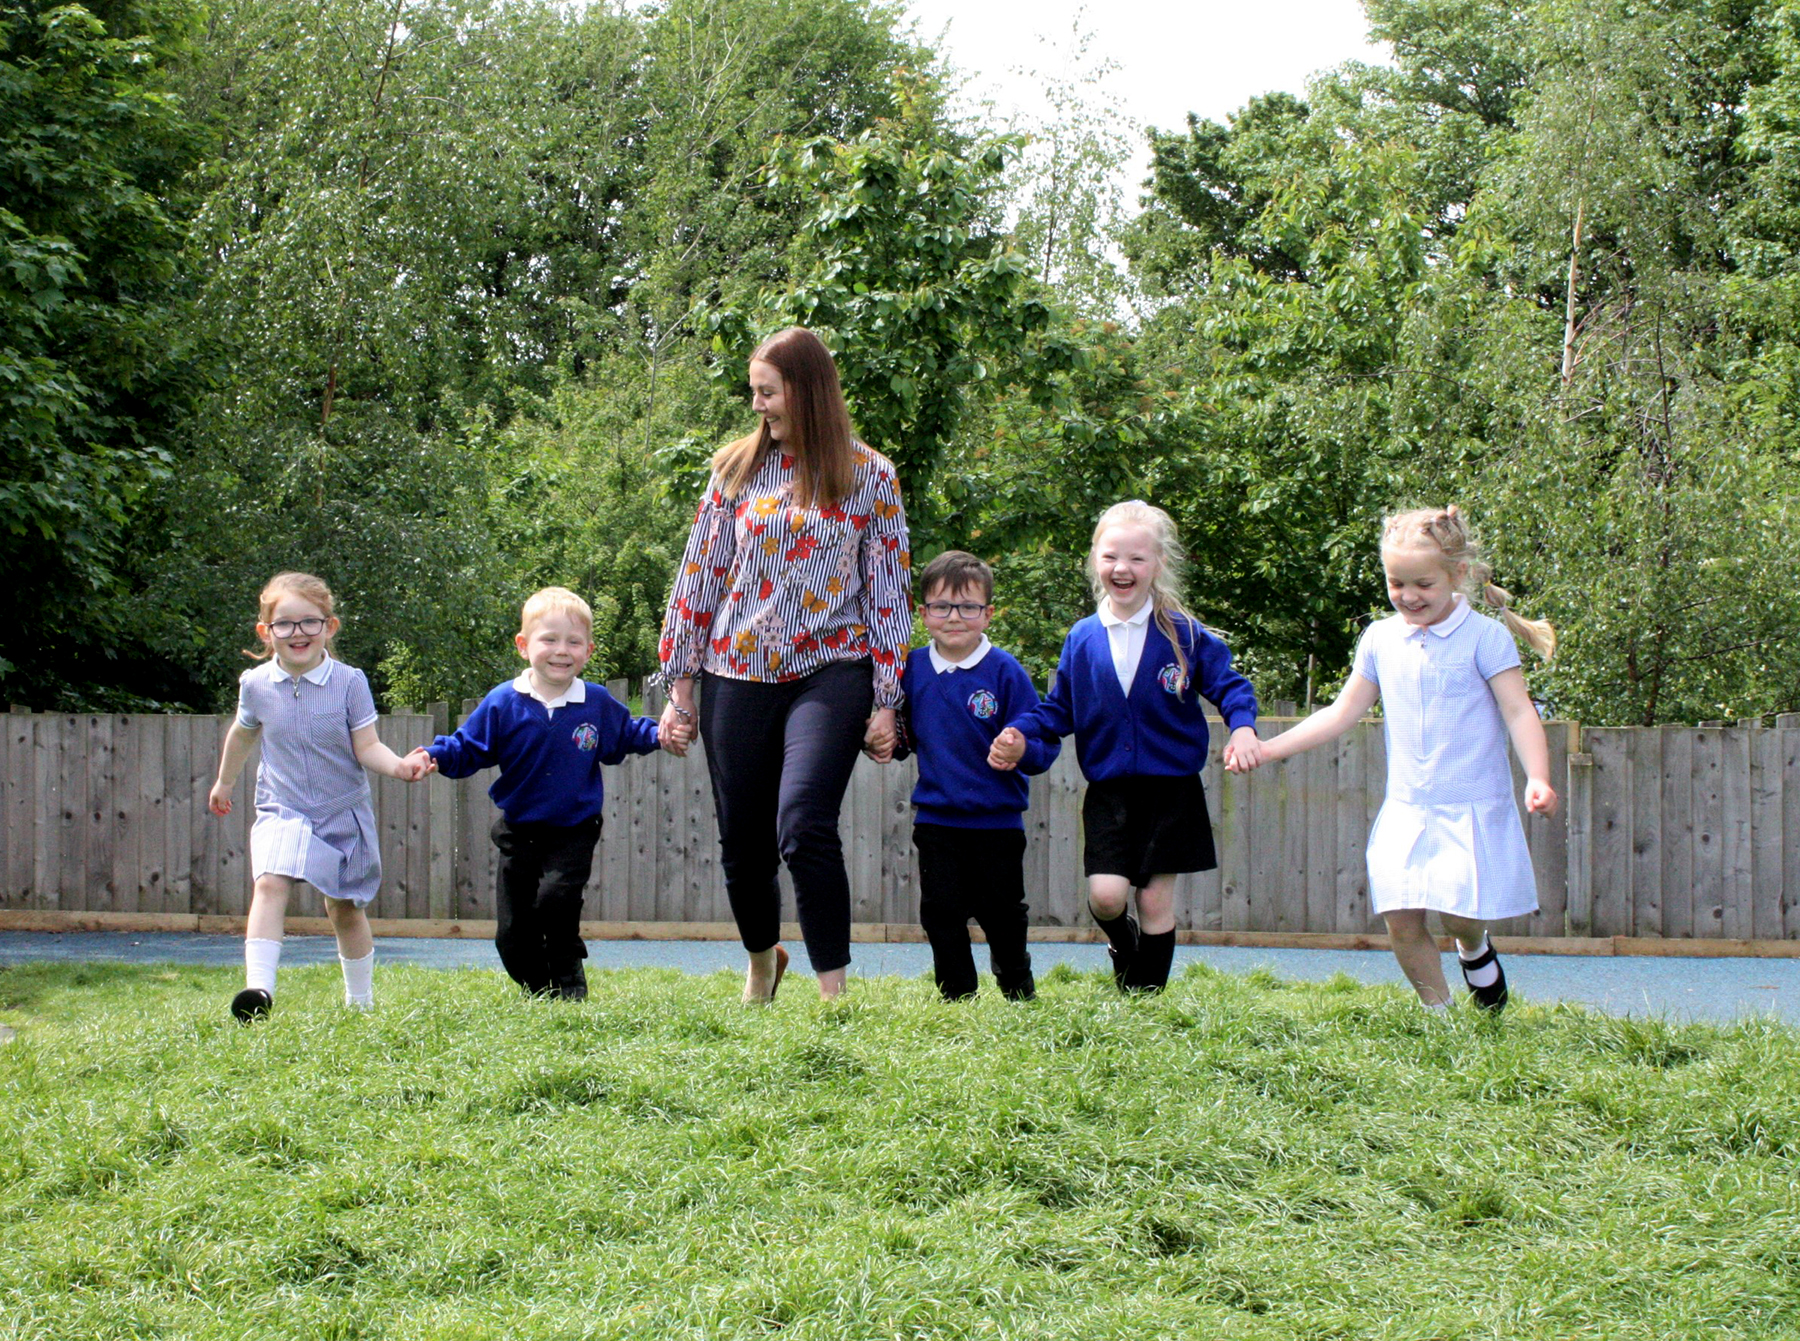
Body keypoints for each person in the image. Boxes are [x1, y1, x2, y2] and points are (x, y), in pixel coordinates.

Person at [656, 326, 913, 1003]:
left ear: (805, 390)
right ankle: (762, 962)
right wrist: (680, 686)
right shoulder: (736, 469)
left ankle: (835, 999)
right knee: (743, 843)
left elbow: (888, 588)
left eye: (767, 392)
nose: (759, 406)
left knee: (803, 823)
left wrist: (887, 696)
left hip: (832, 666)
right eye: (755, 393)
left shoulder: (871, 477)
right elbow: (700, 575)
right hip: (736, 668)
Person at [1225, 505, 1558, 1012]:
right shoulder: (1380, 638)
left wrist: (1538, 776)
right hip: (1407, 808)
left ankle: (1475, 947)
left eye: (1422, 584)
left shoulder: (1485, 638)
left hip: (1469, 806)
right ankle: (1439, 1020)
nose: (1408, 596)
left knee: (1459, 916)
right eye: (1395, 583)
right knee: (1400, 917)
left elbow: (1518, 712)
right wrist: (1268, 748)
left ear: (1458, 575)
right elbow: (1341, 713)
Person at [991, 501, 1261, 993]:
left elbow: (1232, 688)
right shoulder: (1084, 637)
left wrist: (1243, 728)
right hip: (1110, 793)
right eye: (1112, 556)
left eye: (1137, 558)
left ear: (1158, 564)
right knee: (1108, 898)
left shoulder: (1182, 633)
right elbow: (1060, 710)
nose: (1123, 568)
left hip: (1172, 791)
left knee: (1156, 902)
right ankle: (1123, 943)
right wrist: (1022, 733)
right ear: (1095, 559)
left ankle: (1145, 1002)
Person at [410, 588, 683, 1000]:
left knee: (556, 899)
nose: (561, 650)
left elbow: (628, 732)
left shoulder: (594, 703)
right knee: (512, 935)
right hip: (519, 831)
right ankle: (541, 991)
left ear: (588, 650)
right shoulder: (504, 703)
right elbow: (469, 747)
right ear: (524, 646)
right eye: (549, 640)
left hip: (574, 827)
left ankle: (568, 975)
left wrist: (664, 735)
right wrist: (433, 756)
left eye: (573, 642)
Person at [208, 572, 430, 1021]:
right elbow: (243, 734)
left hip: (341, 811)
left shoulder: (349, 682)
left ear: (329, 626)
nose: (297, 633)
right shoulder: (255, 684)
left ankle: (360, 1005)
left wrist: (399, 766)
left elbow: (366, 746)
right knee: (269, 883)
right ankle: (258, 992)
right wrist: (225, 782)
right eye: (284, 624)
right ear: (265, 632)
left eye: (309, 622)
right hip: (282, 807)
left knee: (344, 908)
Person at [894, 551, 1058, 1001]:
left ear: (987, 613)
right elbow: (902, 738)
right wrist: (883, 738)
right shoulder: (911, 670)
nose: (955, 617)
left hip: (997, 823)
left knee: (1002, 913)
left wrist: (1021, 748)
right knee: (940, 912)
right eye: (942, 606)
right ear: (923, 613)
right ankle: (957, 996)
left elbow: (1042, 746)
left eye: (968, 607)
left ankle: (1017, 987)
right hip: (937, 820)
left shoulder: (1005, 672)